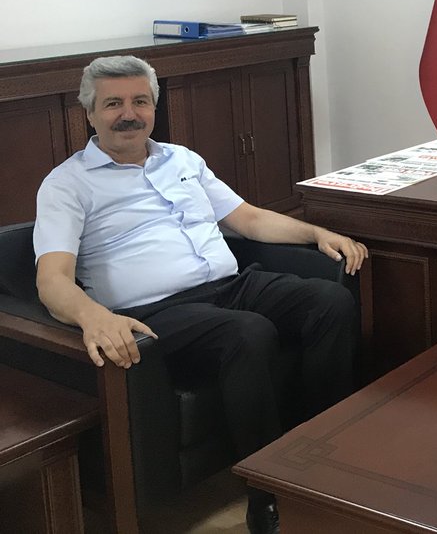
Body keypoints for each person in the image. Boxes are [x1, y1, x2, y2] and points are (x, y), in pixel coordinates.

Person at [33, 55, 369, 534]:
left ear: (154, 107)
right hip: (156, 313)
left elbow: (247, 218)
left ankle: (321, 451)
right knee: (248, 333)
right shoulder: (67, 184)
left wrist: (316, 233)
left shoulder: (183, 160)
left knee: (329, 301)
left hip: (230, 286)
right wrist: (93, 316)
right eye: (113, 104)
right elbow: (52, 279)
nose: (128, 113)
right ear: (89, 113)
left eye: (140, 101)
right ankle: (268, 492)